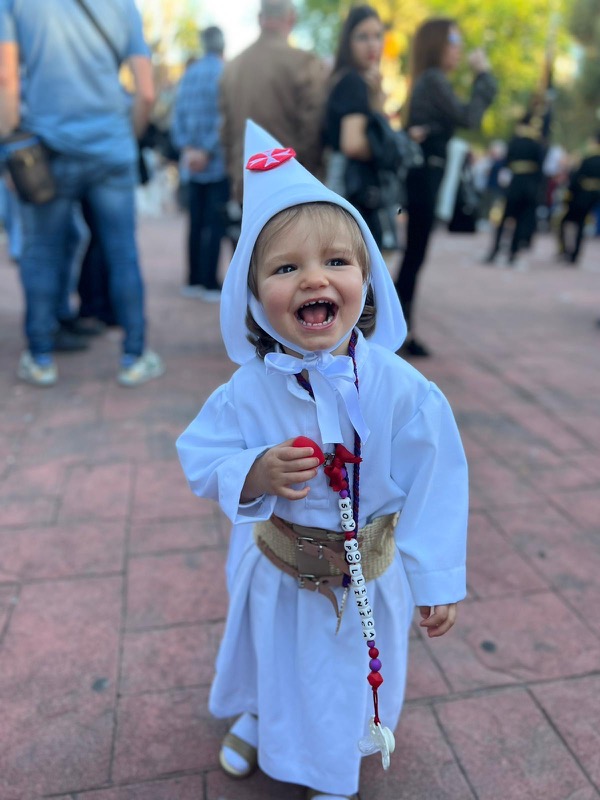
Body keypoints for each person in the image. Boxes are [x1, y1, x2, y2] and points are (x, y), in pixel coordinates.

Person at [177, 121, 468, 800]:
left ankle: (334, 767)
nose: (314, 277)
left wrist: (437, 577)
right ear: (253, 295)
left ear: (367, 276)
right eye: (286, 268)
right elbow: (202, 452)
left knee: (342, 678)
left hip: (367, 575)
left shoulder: (402, 389)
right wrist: (253, 471)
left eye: (337, 261)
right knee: (272, 653)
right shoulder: (248, 389)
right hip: (279, 566)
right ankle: (258, 714)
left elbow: (437, 479)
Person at [0, 0, 164, 388]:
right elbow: (145, 92)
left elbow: (6, 79)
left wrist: (10, 149)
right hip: (111, 148)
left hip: (46, 150)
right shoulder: (123, 5)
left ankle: (40, 357)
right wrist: (125, 139)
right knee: (122, 253)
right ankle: (134, 356)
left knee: (42, 252)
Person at [394, 18, 496, 357]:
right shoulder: (433, 79)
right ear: (436, 43)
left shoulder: (428, 80)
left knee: (414, 253)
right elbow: (468, 117)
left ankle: (400, 327)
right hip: (424, 178)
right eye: (453, 41)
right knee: (414, 254)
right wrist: (483, 76)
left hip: (425, 176)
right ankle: (397, 329)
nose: (459, 49)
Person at [219, 0, 326, 202]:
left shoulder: (233, 67)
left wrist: (235, 173)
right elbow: (312, 129)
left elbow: (225, 132)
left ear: (260, 18)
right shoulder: (304, 63)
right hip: (292, 183)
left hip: (247, 182)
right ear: (291, 18)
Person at [171, 26, 229, 302]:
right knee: (215, 223)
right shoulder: (225, 73)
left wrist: (188, 150)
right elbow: (224, 119)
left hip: (191, 163)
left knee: (195, 222)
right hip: (215, 163)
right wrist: (206, 151)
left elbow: (177, 117)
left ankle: (193, 278)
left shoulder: (188, 74)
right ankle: (208, 281)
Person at [322, 5, 388, 248]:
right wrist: (387, 150)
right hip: (352, 188)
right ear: (348, 41)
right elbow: (353, 144)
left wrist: (377, 98)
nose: (372, 45)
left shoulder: (345, 78)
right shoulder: (353, 81)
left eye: (377, 36)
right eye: (362, 37)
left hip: (343, 183)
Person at [483, 112, 546, 267]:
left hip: (514, 185)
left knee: (504, 219)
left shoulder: (514, 141)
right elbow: (541, 169)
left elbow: (506, 162)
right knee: (520, 220)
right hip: (529, 187)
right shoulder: (537, 143)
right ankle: (513, 252)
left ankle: (495, 251)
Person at [557, 131, 600, 265]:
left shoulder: (587, 159)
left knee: (566, 222)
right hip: (595, 197)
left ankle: (567, 251)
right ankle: (574, 254)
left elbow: (575, 179)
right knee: (581, 225)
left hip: (582, 196)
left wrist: (569, 194)